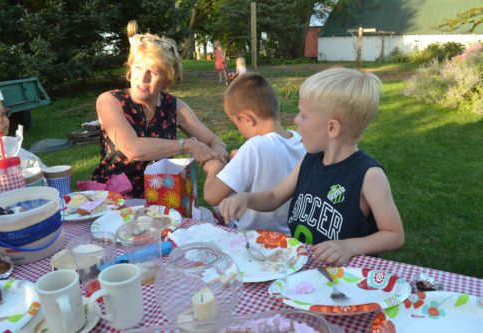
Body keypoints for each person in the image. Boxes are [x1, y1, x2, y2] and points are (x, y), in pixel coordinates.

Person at [219, 68, 404, 265]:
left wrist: (349, 246)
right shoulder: (309, 160)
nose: (295, 120)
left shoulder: (368, 176)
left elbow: (394, 234)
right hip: (305, 269)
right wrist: (245, 199)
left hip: (346, 278)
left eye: (303, 115)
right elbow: (274, 197)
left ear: (332, 128)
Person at [92, 25, 229, 199]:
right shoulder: (109, 101)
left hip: (162, 196)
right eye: (138, 68)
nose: (143, 78)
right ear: (130, 69)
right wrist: (188, 145)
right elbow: (132, 148)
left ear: (167, 77)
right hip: (113, 199)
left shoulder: (175, 106)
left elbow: (213, 140)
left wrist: (217, 155)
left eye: (153, 72)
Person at [203, 73, 306, 233]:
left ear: (247, 119)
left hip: (255, 237)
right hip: (291, 234)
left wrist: (213, 168)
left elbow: (211, 196)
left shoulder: (254, 147)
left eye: (236, 122)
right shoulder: (300, 140)